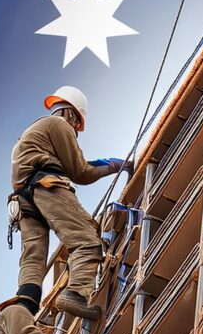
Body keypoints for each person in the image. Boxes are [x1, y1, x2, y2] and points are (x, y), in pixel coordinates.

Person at [9, 86, 130, 321]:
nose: (76, 129)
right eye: (77, 124)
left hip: (23, 200)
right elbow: (81, 171)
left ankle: (25, 307)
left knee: (33, 258)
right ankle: (75, 294)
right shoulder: (59, 125)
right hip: (46, 187)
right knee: (86, 240)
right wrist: (116, 165)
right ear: (73, 113)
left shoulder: (31, 135)